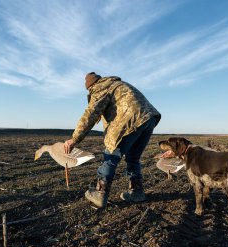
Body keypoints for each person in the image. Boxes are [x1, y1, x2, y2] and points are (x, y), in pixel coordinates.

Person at [63, 72, 161, 208]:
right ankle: (137, 192)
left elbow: (90, 114)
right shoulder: (116, 84)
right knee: (133, 158)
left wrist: (74, 139)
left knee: (111, 156)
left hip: (129, 120)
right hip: (148, 119)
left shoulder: (100, 87)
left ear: (90, 87)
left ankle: (100, 194)